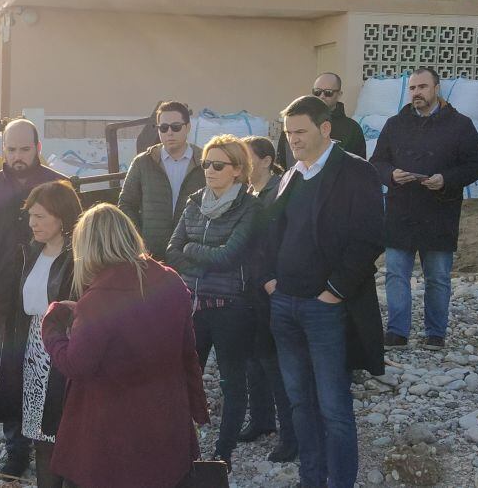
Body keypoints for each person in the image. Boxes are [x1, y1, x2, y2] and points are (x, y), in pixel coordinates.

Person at [262, 96, 385, 488]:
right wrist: (270, 280)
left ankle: (340, 482)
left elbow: (369, 239)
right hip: (285, 305)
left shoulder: (355, 172)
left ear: (325, 128)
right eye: (288, 133)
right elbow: (274, 232)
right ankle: (311, 478)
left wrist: (333, 292)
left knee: (334, 407)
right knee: (300, 402)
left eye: (300, 131)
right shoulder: (291, 175)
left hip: (325, 309)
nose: (293, 140)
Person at [42, 203, 209, 488]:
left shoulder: (98, 299)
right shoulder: (170, 281)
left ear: (88, 247)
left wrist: (52, 326)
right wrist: (196, 408)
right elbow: (187, 354)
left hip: (111, 431)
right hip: (166, 418)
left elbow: (76, 365)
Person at [0, 118, 66, 476]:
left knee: (54, 372)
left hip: (50, 298)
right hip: (5, 301)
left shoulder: (58, 185)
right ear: (2, 150)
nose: (18, 156)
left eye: (25, 149)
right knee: (12, 373)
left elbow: (76, 236)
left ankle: (55, 445)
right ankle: (17, 450)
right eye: (11, 149)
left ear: (37, 148)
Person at [371, 67, 478, 350]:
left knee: (437, 277)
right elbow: (376, 163)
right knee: (396, 274)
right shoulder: (395, 124)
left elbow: (477, 165)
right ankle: (397, 331)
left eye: (422, 87)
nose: (417, 93)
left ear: (437, 88)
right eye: (412, 88)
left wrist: (446, 180)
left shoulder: (459, 125)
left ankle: (436, 333)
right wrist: (391, 175)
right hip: (401, 211)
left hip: (439, 212)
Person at [165, 135, 260, 465]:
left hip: (230, 306)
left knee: (232, 382)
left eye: (218, 165)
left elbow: (231, 256)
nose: (209, 170)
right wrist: (198, 253)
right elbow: (171, 250)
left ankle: (224, 451)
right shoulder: (194, 201)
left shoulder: (249, 205)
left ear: (237, 170)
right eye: (206, 163)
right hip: (193, 303)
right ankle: (181, 447)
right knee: (184, 379)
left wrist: (192, 250)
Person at [0, 181, 82, 488]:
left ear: (61, 217)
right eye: (30, 215)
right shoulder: (29, 252)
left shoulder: (79, 257)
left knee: (65, 427)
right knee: (39, 430)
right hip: (32, 346)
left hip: (63, 347)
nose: (32, 222)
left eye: (40, 216)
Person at [237, 136, 298, 462]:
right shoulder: (246, 193)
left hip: (273, 288)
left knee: (275, 365)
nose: (240, 165)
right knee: (251, 360)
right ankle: (261, 419)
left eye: (246, 158)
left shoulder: (281, 191)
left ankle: (291, 436)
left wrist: (272, 281)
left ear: (265, 159)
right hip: (247, 290)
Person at [117, 101, 205, 260]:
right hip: (152, 255)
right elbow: (126, 204)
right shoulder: (142, 163)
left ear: (188, 127)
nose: (169, 132)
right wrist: (139, 238)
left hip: (191, 253)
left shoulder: (205, 163)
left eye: (176, 127)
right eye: (163, 128)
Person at [276, 73, 366, 168]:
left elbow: (359, 167)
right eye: (317, 92)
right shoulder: (294, 124)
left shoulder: (351, 129)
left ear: (339, 94)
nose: (322, 96)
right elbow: (282, 163)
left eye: (328, 92)